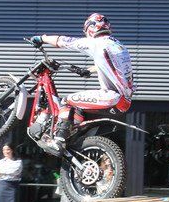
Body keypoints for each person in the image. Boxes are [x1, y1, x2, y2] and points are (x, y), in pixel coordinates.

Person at [29, 12, 135, 153]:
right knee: (77, 105)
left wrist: (42, 38)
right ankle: (71, 133)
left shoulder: (96, 43)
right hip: (124, 100)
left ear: (91, 28)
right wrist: (88, 71)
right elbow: (110, 65)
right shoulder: (118, 45)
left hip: (112, 97)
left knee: (66, 102)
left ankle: (59, 141)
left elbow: (64, 41)